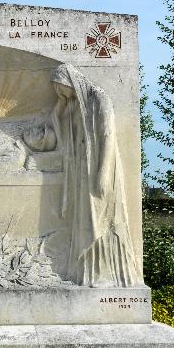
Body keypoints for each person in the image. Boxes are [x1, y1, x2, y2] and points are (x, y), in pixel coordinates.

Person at [49, 63, 140, 287]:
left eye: (61, 88)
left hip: (100, 167)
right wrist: (60, 102)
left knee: (104, 220)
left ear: (70, 81)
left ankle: (109, 275)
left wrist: (103, 172)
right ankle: (88, 274)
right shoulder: (76, 104)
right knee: (86, 220)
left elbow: (108, 136)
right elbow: (57, 125)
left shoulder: (99, 99)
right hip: (83, 170)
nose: (61, 94)